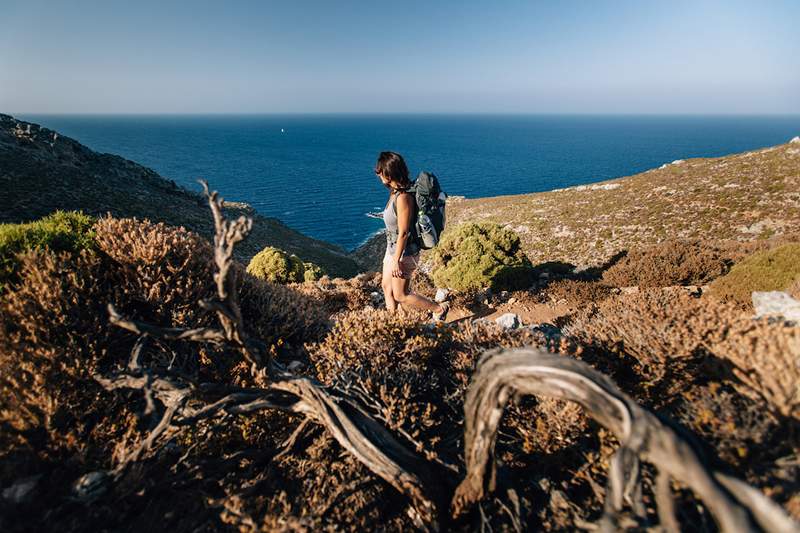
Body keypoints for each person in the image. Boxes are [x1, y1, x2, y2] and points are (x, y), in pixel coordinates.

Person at [375, 151, 449, 321]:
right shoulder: (395, 192)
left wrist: (396, 260)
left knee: (401, 294)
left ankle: (439, 308)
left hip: (404, 253)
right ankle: (393, 324)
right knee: (387, 287)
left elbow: (403, 232)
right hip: (392, 249)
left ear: (388, 172)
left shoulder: (403, 198)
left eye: (380, 171)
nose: (377, 174)